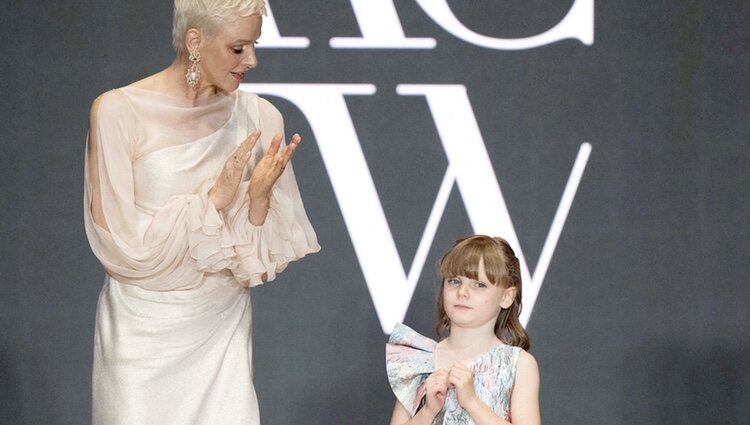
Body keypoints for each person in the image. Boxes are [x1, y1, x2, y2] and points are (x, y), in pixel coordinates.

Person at [83, 1, 320, 423]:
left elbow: (255, 260)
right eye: (238, 48)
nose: (252, 60)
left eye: (254, 46)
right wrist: (214, 202)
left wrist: (259, 199)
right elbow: (119, 247)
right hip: (142, 334)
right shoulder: (119, 111)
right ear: (195, 41)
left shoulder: (260, 117)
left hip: (220, 328)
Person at [386, 236, 541, 425]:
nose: (462, 292)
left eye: (479, 284)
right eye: (454, 281)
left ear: (507, 297)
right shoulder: (419, 360)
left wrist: (472, 403)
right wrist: (428, 411)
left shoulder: (518, 364)